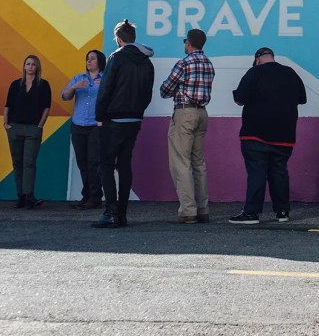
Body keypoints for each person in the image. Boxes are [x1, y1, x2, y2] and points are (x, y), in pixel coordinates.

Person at [228, 47, 307, 225]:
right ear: (272, 57)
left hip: (256, 134)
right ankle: (282, 211)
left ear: (258, 60)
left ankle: (251, 213)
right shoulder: (290, 73)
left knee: (257, 173)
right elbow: (302, 98)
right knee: (279, 172)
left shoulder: (254, 72)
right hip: (285, 135)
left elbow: (240, 98)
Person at [92, 20, 155, 228]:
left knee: (106, 165)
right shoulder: (147, 62)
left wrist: (99, 116)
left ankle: (110, 212)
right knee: (125, 165)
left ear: (119, 39)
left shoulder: (116, 57)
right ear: (133, 38)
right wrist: (138, 112)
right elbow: (148, 93)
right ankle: (122, 214)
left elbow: (106, 89)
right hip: (134, 119)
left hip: (113, 120)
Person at [159, 28, 215, 224]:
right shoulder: (208, 63)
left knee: (181, 162)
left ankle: (188, 210)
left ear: (189, 43)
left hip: (184, 112)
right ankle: (203, 209)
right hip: (202, 113)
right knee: (198, 162)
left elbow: (165, 89)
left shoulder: (184, 63)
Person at [4, 54, 52, 209]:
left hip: (33, 129)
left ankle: (29, 195)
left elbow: (46, 107)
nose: (30, 67)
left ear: (37, 67)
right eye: (28, 64)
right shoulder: (15, 85)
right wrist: (5, 123)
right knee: (17, 162)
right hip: (15, 127)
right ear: (24, 66)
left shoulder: (43, 85)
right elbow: (8, 105)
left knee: (29, 163)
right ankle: (21, 197)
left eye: (33, 64)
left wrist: (40, 125)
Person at [61, 49, 105, 210]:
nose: (89, 61)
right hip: (78, 125)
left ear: (99, 61)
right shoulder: (79, 78)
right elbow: (65, 96)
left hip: (95, 125)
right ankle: (86, 196)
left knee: (94, 162)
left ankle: (95, 197)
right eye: (87, 58)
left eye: (92, 58)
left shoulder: (105, 79)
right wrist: (74, 87)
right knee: (83, 162)